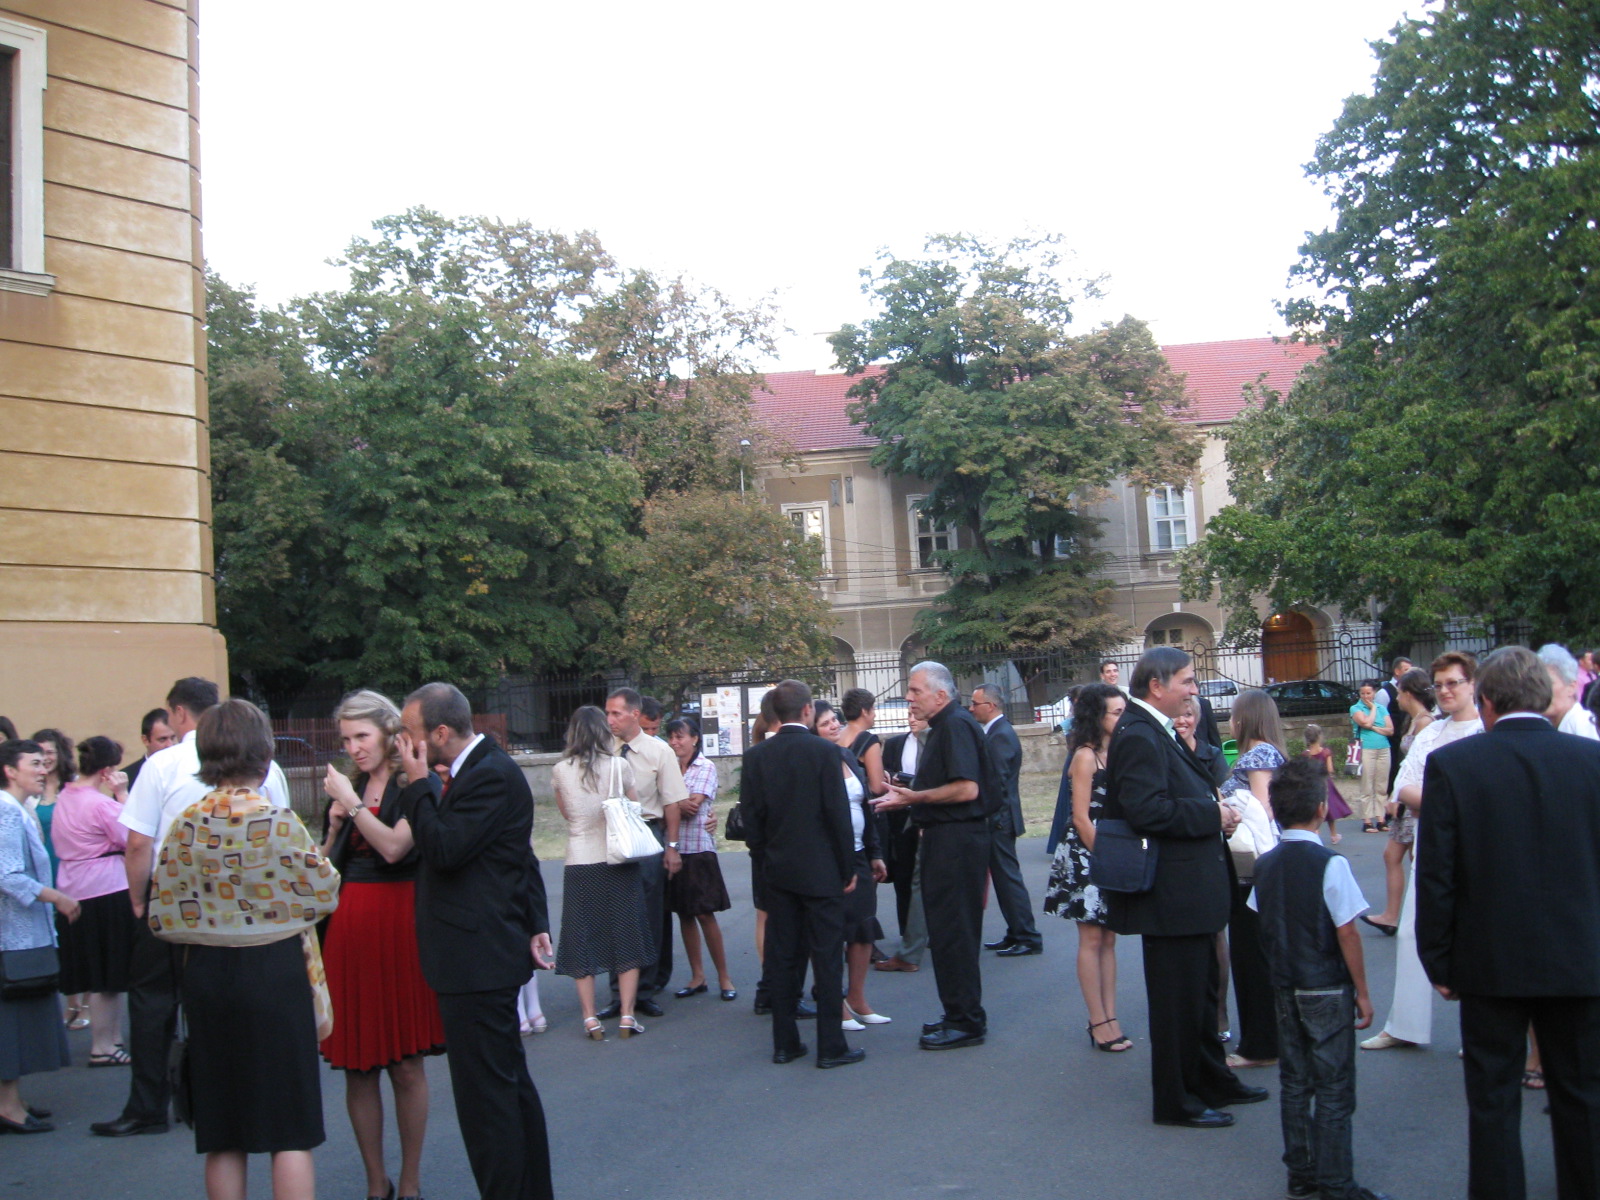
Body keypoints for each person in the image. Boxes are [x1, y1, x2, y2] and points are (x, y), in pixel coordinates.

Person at [1416, 646, 1600, 1200]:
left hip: (1489, 961)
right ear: (1543, 697)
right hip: (1580, 958)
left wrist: (1438, 959)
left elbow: (1438, 875)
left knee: (1493, 1102)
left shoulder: (1456, 766)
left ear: (1488, 701)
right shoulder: (1591, 761)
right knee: (1583, 1098)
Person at [95, 677, 292, 1138]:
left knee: (153, 1001)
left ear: (179, 713)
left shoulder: (162, 764)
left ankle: (148, 1106)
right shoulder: (267, 767)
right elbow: (281, 834)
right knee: (230, 996)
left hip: (174, 893)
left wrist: (138, 897)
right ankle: (236, 1095)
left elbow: (138, 842)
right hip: (244, 898)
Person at [153, 700, 334, 1200]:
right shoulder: (278, 821)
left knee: (222, 1130)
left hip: (207, 974)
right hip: (275, 971)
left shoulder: (185, 824)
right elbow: (324, 893)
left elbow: (162, 911)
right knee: (290, 1128)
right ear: (266, 753)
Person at [397, 682, 553, 1200]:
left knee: (487, 1104)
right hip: (480, 952)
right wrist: (536, 921)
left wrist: (417, 785)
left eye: (411, 733)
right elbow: (518, 856)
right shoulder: (479, 770)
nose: (404, 743)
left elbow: (443, 849)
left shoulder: (488, 774)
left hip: (477, 958)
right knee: (505, 1089)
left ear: (440, 733)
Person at [1101, 646, 1264, 1128]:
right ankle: (1176, 1100)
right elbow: (1146, 809)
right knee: (1177, 1004)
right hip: (1170, 896)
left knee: (1200, 994)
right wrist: (1213, 814)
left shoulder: (1157, 729)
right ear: (1157, 686)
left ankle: (1211, 1079)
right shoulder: (1138, 733)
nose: (1195, 690)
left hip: (1190, 892)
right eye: (1188, 681)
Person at [317, 690, 445, 1200]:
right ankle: (377, 1183)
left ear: (390, 732)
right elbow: (323, 871)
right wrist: (332, 829)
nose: (354, 748)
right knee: (358, 1065)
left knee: (406, 1064)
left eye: (362, 736)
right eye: (347, 739)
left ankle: (409, 1182)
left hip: (401, 924)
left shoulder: (414, 781)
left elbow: (394, 848)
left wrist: (351, 807)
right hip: (350, 928)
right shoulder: (349, 787)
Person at [1251, 757, 1390, 1200]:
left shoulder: (1265, 865)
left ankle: (1302, 1169)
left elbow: (1261, 916)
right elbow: (1347, 931)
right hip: (1325, 983)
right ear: (1321, 809)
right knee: (1333, 1085)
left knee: (1295, 1081)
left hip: (1285, 982)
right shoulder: (1330, 864)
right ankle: (1336, 1181)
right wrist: (1362, 992)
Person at [1362, 651, 1480, 1052]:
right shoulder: (1432, 733)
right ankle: (1405, 1025)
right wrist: (1448, 802)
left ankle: (1477, 1031)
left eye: (1453, 683)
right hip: (1432, 847)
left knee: (1473, 938)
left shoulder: (1485, 731)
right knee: (1413, 932)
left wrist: (1433, 801)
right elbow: (1403, 787)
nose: (1445, 691)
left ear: (1472, 685)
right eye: (1439, 684)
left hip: (1476, 851)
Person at [742, 680, 863, 1069]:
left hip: (778, 871)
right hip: (822, 870)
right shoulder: (825, 752)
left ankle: (785, 1042)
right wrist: (846, 867)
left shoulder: (756, 757)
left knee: (782, 957)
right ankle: (831, 1045)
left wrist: (765, 858)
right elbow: (837, 815)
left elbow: (752, 820)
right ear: (808, 710)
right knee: (827, 958)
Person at [878, 662, 993, 1051]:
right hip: (948, 839)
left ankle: (965, 1021)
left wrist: (916, 798)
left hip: (957, 842)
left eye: (915, 691)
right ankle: (958, 1013)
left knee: (954, 933)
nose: (908, 697)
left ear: (941, 695)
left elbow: (967, 789)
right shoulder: (946, 726)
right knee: (946, 932)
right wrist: (914, 798)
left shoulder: (956, 726)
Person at [551, 707, 656, 1040]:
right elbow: (635, 808)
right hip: (617, 860)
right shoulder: (618, 766)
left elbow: (567, 814)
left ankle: (590, 1018)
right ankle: (627, 1015)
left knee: (582, 937)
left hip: (580, 861)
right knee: (626, 934)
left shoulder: (560, 770)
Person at [1042, 683, 1130, 1051]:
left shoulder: (1120, 752)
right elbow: (1080, 817)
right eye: (1116, 712)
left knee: (1109, 939)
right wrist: (1106, 860)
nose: (1123, 718)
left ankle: (1111, 1016)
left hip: (1110, 850)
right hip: (1086, 854)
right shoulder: (1085, 756)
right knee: (1092, 939)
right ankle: (1098, 1021)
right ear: (1097, 716)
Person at [0, 739, 77, 1134]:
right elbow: (8, 875)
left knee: (17, 1019)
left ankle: (12, 1101)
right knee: (11, 1021)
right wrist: (57, 897)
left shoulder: (18, 809)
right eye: (34, 763)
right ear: (10, 770)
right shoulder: (5, 811)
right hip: (13, 937)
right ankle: (8, 1107)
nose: (43, 769)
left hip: (21, 933)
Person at [598, 688, 687, 1020]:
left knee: (648, 914)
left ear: (634, 714)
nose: (610, 719)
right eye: (607, 713)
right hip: (610, 834)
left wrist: (672, 848)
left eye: (616, 713)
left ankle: (645, 990)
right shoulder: (603, 748)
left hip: (647, 831)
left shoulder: (658, 751)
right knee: (615, 914)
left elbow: (672, 802)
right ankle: (618, 992)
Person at [50, 736, 137, 1067]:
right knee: (107, 975)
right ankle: (103, 1045)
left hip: (73, 885)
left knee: (96, 970)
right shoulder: (101, 804)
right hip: (106, 888)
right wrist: (122, 794)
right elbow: (131, 835)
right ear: (107, 771)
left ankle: (111, 1038)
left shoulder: (65, 796)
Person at [1218, 690, 1288, 1071]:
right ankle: (1268, 1037)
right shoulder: (1271, 753)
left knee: (1251, 956)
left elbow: (1263, 810)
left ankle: (1260, 1044)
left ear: (1244, 719)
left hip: (1252, 866)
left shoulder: (1258, 756)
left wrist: (1228, 808)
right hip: (1260, 866)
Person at [812, 702, 889, 1030]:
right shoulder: (813, 762)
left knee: (862, 927)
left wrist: (875, 853)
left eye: (835, 720)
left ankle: (857, 997)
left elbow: (866, 806)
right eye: (825, 723)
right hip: (828, 858)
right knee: (833, 931)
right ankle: (834, 1001)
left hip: (859, 853)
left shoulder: (846, 755)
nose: (834, 726)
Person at [663, 716, 735, 1002]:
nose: (674, 742)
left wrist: (669, 803)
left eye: (680, 736)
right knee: (684, 913)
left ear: (694, 738)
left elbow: (692, 806)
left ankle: (724, 977)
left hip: (698, 848)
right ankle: (697, 976)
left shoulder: (704, 766)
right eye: (671, 737)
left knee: (705, 913)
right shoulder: (667, 766)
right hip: (673, 847)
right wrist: (673, 804)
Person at [970, 684, 1042, 957]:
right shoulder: (995, 732)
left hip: (999, 820)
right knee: (1003, 880)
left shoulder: (1000, 735)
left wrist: (992, 818)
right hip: (999, 818)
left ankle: (1027, 936)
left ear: (990, 706)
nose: (971, 709)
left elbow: (997, 783)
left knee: (1008, 879)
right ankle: (1015, 932)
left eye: (975, 704)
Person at [1362, 670, 1434, 934]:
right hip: (1406, 797)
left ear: (1410, 693)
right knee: (1399, 856)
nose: (1397, 697)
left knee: (1410, 858)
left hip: (1413, 798)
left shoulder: (1425, 722)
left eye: (1400, 692)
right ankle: (1395, 915)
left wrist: (1400, 797)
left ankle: (1407, 915)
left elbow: (1420, 766)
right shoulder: (1414, 721)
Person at [874, 712, 928, 974]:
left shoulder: (937, 743)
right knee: (905, 876)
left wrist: (911, 783)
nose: (912, 719)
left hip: (928, 813)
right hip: (901, 817)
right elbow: (884, 773)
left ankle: (926, 934)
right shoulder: (895, 743)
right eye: (909, 715)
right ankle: (909, 932)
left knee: (927, 880)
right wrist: (894, 778)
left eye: (917, 715)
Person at [1348, 686, 1394, 834]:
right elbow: (1366, 723)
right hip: (1366, 748)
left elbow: (1390, 730)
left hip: (1384, 748)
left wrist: (1374, 728)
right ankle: (1367, 820)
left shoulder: (1382, 708)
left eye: (1369, 693)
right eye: (1363, 693)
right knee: (1367, 785)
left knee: (1381, 786)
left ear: (1374, 693)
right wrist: (1373, 709)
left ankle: (1381, 818)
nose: (1366, 696)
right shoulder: (1356, 708)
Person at [1301, 725, 1352, 844]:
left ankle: (1315, 831)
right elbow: (1330, 769)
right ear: (1320, 737)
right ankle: (1333, 835)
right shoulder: (1325, 752)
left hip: (1311, 784)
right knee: (1330, 809)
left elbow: (1304, 770)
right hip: (1324, 783)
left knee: (1314, 809)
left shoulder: (1305, 754)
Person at [1538, 643, 1600, 740]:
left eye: (1548, 683)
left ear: (1571, 687)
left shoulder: (1585, 725)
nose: (1540, 690)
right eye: (1536, 684)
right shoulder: (1545, 728)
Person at [1378, 656, 1414, 795]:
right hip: (1391, 743)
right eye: (1406, 670)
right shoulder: (1384, 693)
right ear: (1397, 671)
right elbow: (1379, 719)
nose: (1409, 673)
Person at [123, 709, 176, 790]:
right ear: (145, 740)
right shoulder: (127, 778)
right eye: (162, 739)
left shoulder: (187, 769)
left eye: (173, 738)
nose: (170, 745)